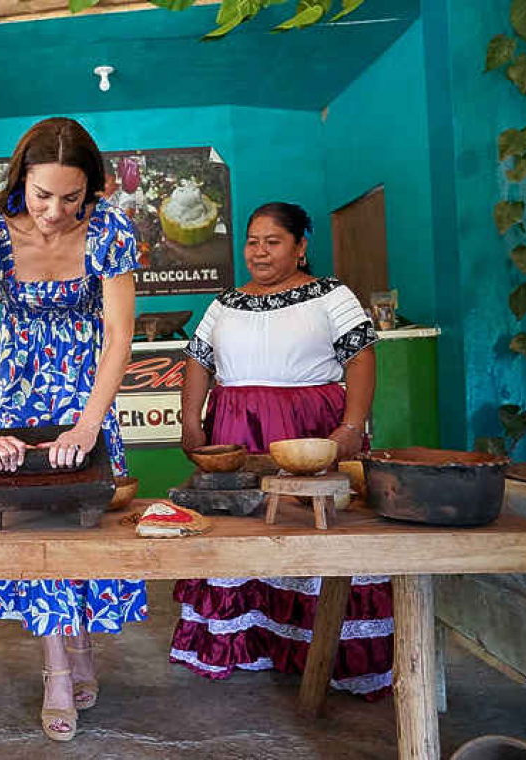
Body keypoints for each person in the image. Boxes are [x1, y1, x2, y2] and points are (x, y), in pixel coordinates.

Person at [0, 117, 147, 742]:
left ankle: (81, 642)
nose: (55, 212)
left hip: (89, 386)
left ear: (91, 190)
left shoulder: (111, 228)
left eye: (71, 197)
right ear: (20, 183)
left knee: (84, 523)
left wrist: (90, 424)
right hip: (22, 389)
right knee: (39, 524)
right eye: (41, 196)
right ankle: (57, 668)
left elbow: (119, 335)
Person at [172, 201, 392, 700]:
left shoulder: (331, 295)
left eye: (273, 242)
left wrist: (351, 426)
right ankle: (242, 644)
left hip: (309, 432)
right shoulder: (224, 303)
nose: (259, 252)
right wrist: (190, 420)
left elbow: (360, 358)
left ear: (300, 248)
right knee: (240, 533)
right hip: (236, 432)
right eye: (252, 242)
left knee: (309, 531)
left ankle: (325, 650)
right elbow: (198, 364)